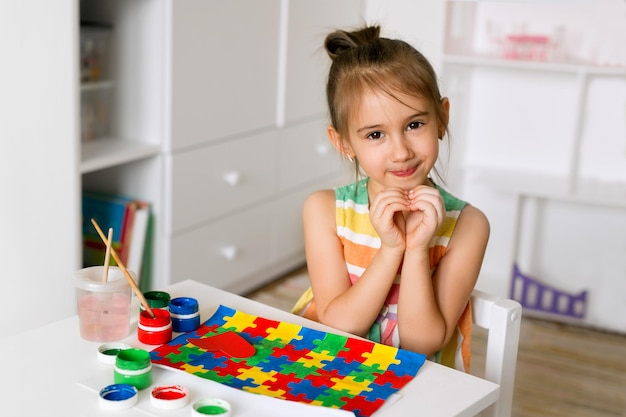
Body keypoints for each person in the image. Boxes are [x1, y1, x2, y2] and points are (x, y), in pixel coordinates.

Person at [291, 25, 490, 373]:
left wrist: (415, 250)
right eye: (376, 134)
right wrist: (390, 249)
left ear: (442, 117)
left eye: (414, 125)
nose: (400, 152)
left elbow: (421, 342)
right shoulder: (324, 210)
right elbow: (340, 324)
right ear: (344, 144)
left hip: (414, 385)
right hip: (323, 369)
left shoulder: (468, 226)